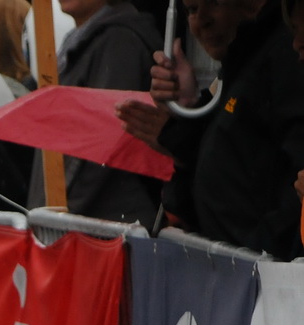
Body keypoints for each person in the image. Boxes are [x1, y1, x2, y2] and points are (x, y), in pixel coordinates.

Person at [118, 0, 304, 256]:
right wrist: (186, 112)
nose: (200, 21)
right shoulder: (240, 66)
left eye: (213, 3)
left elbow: (292, 172)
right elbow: (218, 183)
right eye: (191, 10)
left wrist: (262, 250)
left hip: (264, 274)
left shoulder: (281, 58)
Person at [28, 0, 160, 220]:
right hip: (85, 220)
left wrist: (62, 213)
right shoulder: (87, 38)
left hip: (102, 224)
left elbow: (105, 137)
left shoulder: (120, 40)